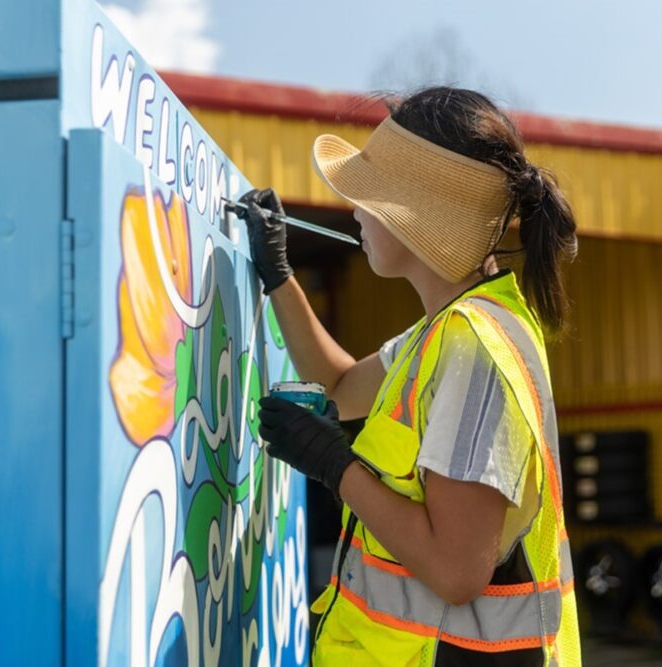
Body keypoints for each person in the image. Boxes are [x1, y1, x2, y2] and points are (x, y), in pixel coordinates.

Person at [241, 86, 581, 666]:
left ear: (417, 216)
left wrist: (333, 466)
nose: (353, 211)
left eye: (368, 196)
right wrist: (278, 276)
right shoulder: (446, 332)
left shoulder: (476, 351)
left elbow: (456, 572)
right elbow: (342, 385)